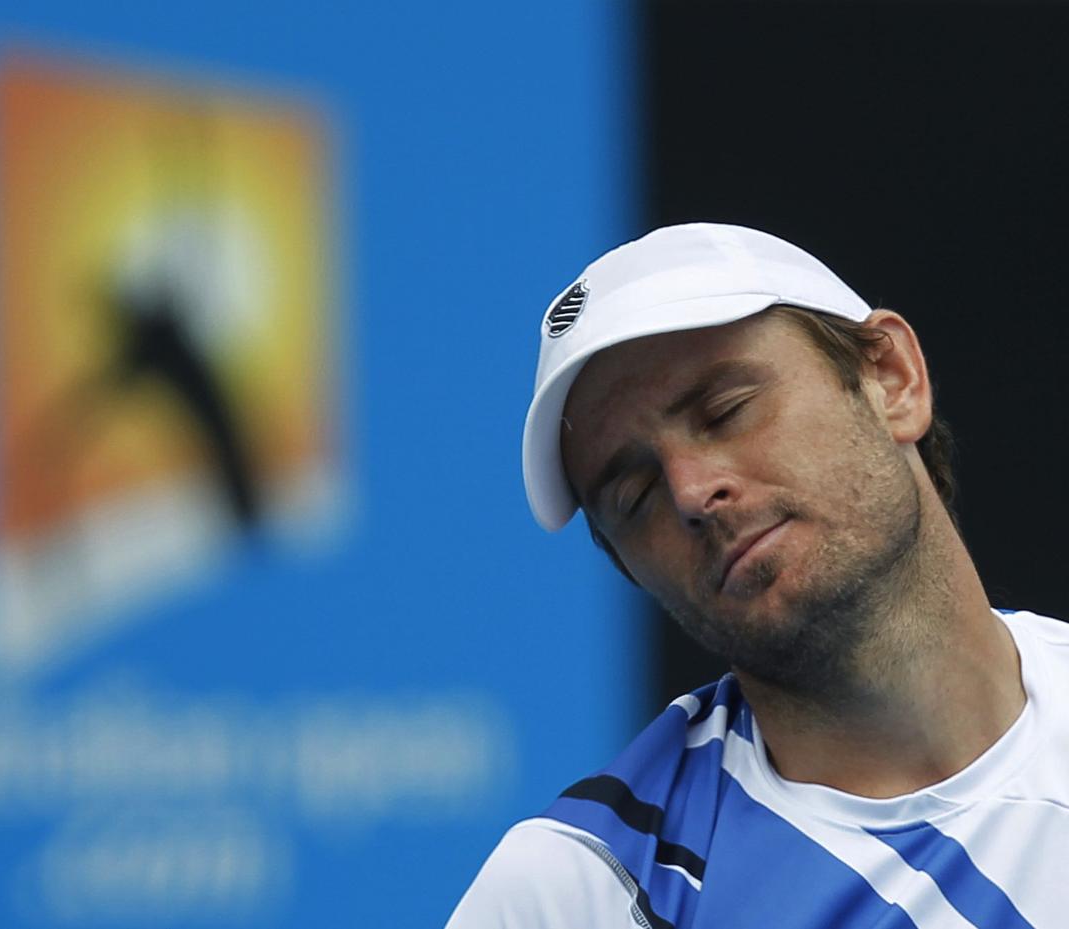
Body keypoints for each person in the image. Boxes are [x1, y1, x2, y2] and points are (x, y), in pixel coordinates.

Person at [446, 223, 1069, 928]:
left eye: (725, 410)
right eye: (635, 495)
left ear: (892, 379)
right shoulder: (582, 891)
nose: (689, 493)